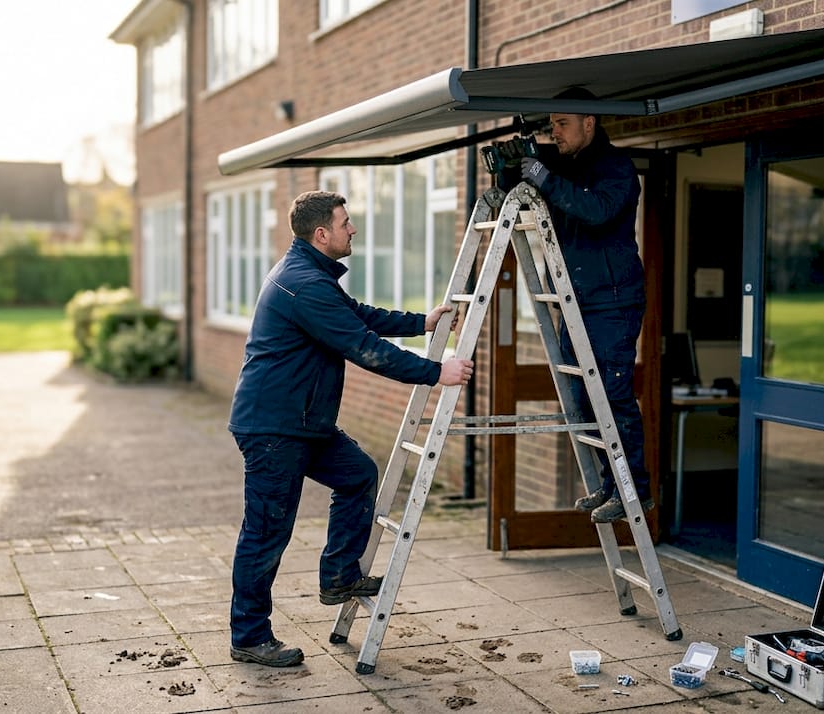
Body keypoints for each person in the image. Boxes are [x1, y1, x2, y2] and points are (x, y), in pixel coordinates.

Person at [226, 190, 474, 667]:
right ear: (322, 234)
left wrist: (420, 322)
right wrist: (435, 371)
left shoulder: (312, 275)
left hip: (302, 422)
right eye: (345, 222)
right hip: (274, 429)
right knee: (265, 534)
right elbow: (363, 346)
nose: (352, 228)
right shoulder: (304, 284)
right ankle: (250, 636)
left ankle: (339, 575)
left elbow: (357, 315)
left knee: (358, 474)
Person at [513, 86, 651, 523]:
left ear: (589, 123)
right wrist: (519, 166)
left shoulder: (616, 169)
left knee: (612, 396)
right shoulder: (565, 166)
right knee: (581, 397)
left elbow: (596, 211)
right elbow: (538, 186)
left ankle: (636, 492)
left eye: (563, 124)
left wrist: (545, 176)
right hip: (574, 302)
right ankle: (609, 484)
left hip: (611, 304)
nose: (555, 132)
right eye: (552, 125)